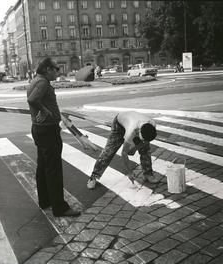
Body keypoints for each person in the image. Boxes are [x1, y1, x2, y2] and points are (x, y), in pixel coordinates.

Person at [27, 57, 80, 217]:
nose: (58, 72)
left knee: (43, 166)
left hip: (39, 129)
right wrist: (45, 110)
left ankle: (45, 200)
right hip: (48, 131)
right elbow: (32, 99)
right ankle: (60, 207)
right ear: (48, 69)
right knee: (54, 169)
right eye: (56, 69)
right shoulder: (42, 82)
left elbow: (33, 99)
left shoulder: (36, 80)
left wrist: (43, 110)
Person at [87, 111, 158, 189]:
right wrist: (129, 172)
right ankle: (93, 177)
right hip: (119, 125)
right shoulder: (131, 130)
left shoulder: (152, 124)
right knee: (109, 151)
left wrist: (137, 147)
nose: (143, 141)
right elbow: (124, 153)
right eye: (142, 139)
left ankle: (148, 174)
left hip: (134, 122)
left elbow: (141, 143)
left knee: (145, 148)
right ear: (139, 132)